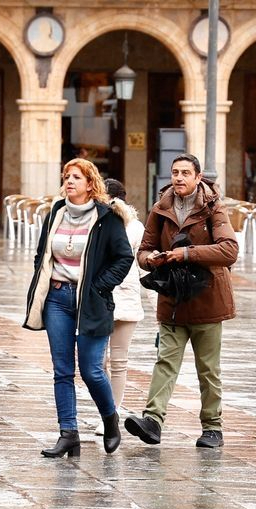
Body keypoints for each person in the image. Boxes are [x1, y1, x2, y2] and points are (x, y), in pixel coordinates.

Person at [124, 153, 238, 449]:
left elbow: (229, 251)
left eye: (186, 173)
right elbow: (144, 250)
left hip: (208, 299)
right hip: (173, 299)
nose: (179, 178)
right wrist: (153, 260)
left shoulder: (214, 208)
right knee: (165, 361)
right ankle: (152, 421)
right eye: (175, 172)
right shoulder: (160, 209)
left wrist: (187, 254)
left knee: (208, 368)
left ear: (198, 177)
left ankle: (213, 427)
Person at [23, 158, 133, 458]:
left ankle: (110, 420)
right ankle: (68, 433)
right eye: (66, 177)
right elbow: (42, 254)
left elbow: (123, 257)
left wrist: (100, 285)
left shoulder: (106, 217)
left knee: (92, 369)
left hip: (91, 301)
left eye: (76, 177)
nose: (69, 181)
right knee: (62, 370)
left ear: (90, 183)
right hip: (57, 299)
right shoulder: (56, 212)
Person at [94, 179, 145, 436]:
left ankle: (111, 413)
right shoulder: (97, 222)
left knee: (117, 361)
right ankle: (106, 412)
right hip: (101, 298)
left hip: (124, 298)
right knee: (98, 362)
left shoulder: (133, 226)